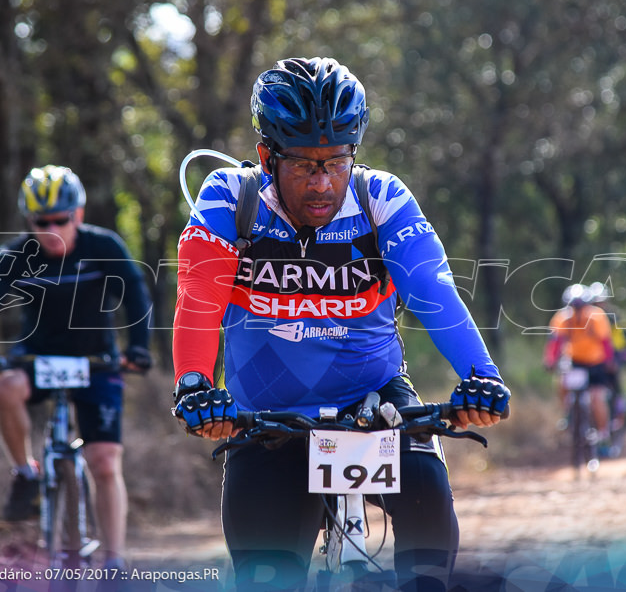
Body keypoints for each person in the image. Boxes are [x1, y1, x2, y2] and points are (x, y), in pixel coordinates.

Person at [171, 57, 510, 591]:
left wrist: (482, 375)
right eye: (304, 165)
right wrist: (193, 383)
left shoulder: (382, 200)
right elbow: (198, 298)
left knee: (429, 563)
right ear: (267, 156)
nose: (322, 183)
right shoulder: (230, 199)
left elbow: (434, 292)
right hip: (267, 418)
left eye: (336, 162)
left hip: (375, 405)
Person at [0, 165, 153, 570]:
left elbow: (135, 296)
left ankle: (114, 561)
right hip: (38, 356)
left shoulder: (103, 246)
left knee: (104, 461)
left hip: (95, 360)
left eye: (60, 220)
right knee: (4, 385)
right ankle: (25, 474)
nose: (51, 229)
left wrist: (138, 346)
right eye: (40, 221)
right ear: (29, 221)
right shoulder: (15, 254)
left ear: (78, 215)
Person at [543, 283, 616, 451]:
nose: (577, 310)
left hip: (596, 363)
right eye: (573, 306)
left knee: (597, 398)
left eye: (580, 306)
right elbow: (555, 342)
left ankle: (603, 434)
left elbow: (606, 342)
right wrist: (550, 360)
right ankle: (568, 412)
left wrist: (609, 362)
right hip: (575, 361)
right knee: (562, 382)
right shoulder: (562, 319)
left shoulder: (597, 317)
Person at [588, 281, 626, 440]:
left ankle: (619, 412)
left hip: (613, 355)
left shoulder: (614, 317)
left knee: (614, 382)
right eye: (596, 302)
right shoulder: (587, 317)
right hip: (593, 358)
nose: (599, 304)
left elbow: (624, 337)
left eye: (601, 301)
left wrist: (625, 352)